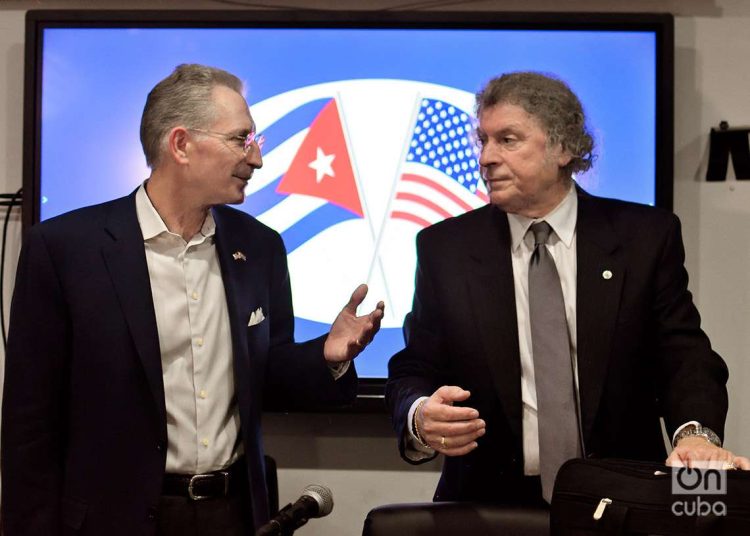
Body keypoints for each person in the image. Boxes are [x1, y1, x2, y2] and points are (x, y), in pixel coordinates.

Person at [1, 64, 384, 536]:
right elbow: (29, 424)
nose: (257, 158)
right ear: (180, 144)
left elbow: (268, 376)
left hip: (232, 513)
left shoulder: (259, 247)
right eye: (240, 138)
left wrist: (327, 357)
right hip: (113, 519)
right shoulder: (65, 249)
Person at [386, 71, 748, 507]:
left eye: (508, 139)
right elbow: (415, 366)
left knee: (716, 506)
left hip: (622, 500)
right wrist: (420, 415)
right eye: (482, 140)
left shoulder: (645, 238)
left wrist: (696, 436)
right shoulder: (445, 249)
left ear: (563, 147)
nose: (486, 157)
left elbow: (684, 357)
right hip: (487, 506)